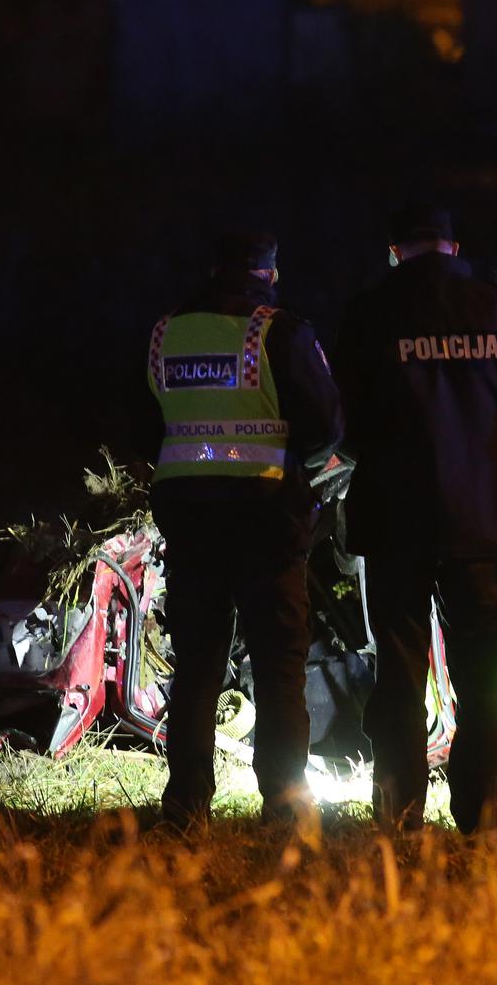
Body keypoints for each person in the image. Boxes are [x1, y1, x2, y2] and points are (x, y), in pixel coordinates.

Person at [335, 205, 497, 834]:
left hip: (395, 522)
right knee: (481, 672)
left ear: (394, 252)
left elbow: (341, 424)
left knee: (399, 671)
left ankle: (399, 812)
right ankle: (480, 815)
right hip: (479, 520)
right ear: (454, 247)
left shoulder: (368, 313)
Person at [143, 231, 344, 829]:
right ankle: (285, 806)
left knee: (196, 667)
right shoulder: (278, 332)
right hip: (267, 523)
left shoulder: (166, 332)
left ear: (214, 269)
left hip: (191, 525)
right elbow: (326, 427)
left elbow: (144, 427)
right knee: (279, 666)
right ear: (269, 274)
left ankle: (186, 808)